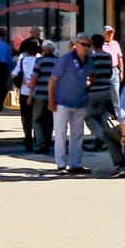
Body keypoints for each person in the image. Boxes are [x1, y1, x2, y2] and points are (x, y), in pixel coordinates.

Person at [84, 33, 125, 175]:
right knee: (103, 115)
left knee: (89, 117)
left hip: (93, 91)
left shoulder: (91, 58)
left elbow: (89, 74)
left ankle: (102, 137)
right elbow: (110, 73)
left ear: (92, 43)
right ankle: (106, 136)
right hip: (105, 90)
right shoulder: (108, 56)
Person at [48, 36, 91, 174]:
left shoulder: (89, 61)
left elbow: (93, 74)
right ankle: (61, 165)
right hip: (62, 103)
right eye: (83, 44)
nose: (86, 47)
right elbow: (52, 80)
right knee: (60, 134)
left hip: (79, 103)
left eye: (88, 45)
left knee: (77, 134)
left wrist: (88, 84)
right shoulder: (65, 60)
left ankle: (75, 164)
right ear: (75, 45)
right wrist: (51, 101)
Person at [13, 37, 41, 149]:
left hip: (25, 91)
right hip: (38, 92)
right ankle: (37, 137)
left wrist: (22, 81)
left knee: (26, 116)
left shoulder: (22, 59)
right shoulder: (41, 59)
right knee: (38, 116)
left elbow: (14, 74)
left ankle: (27, 137)